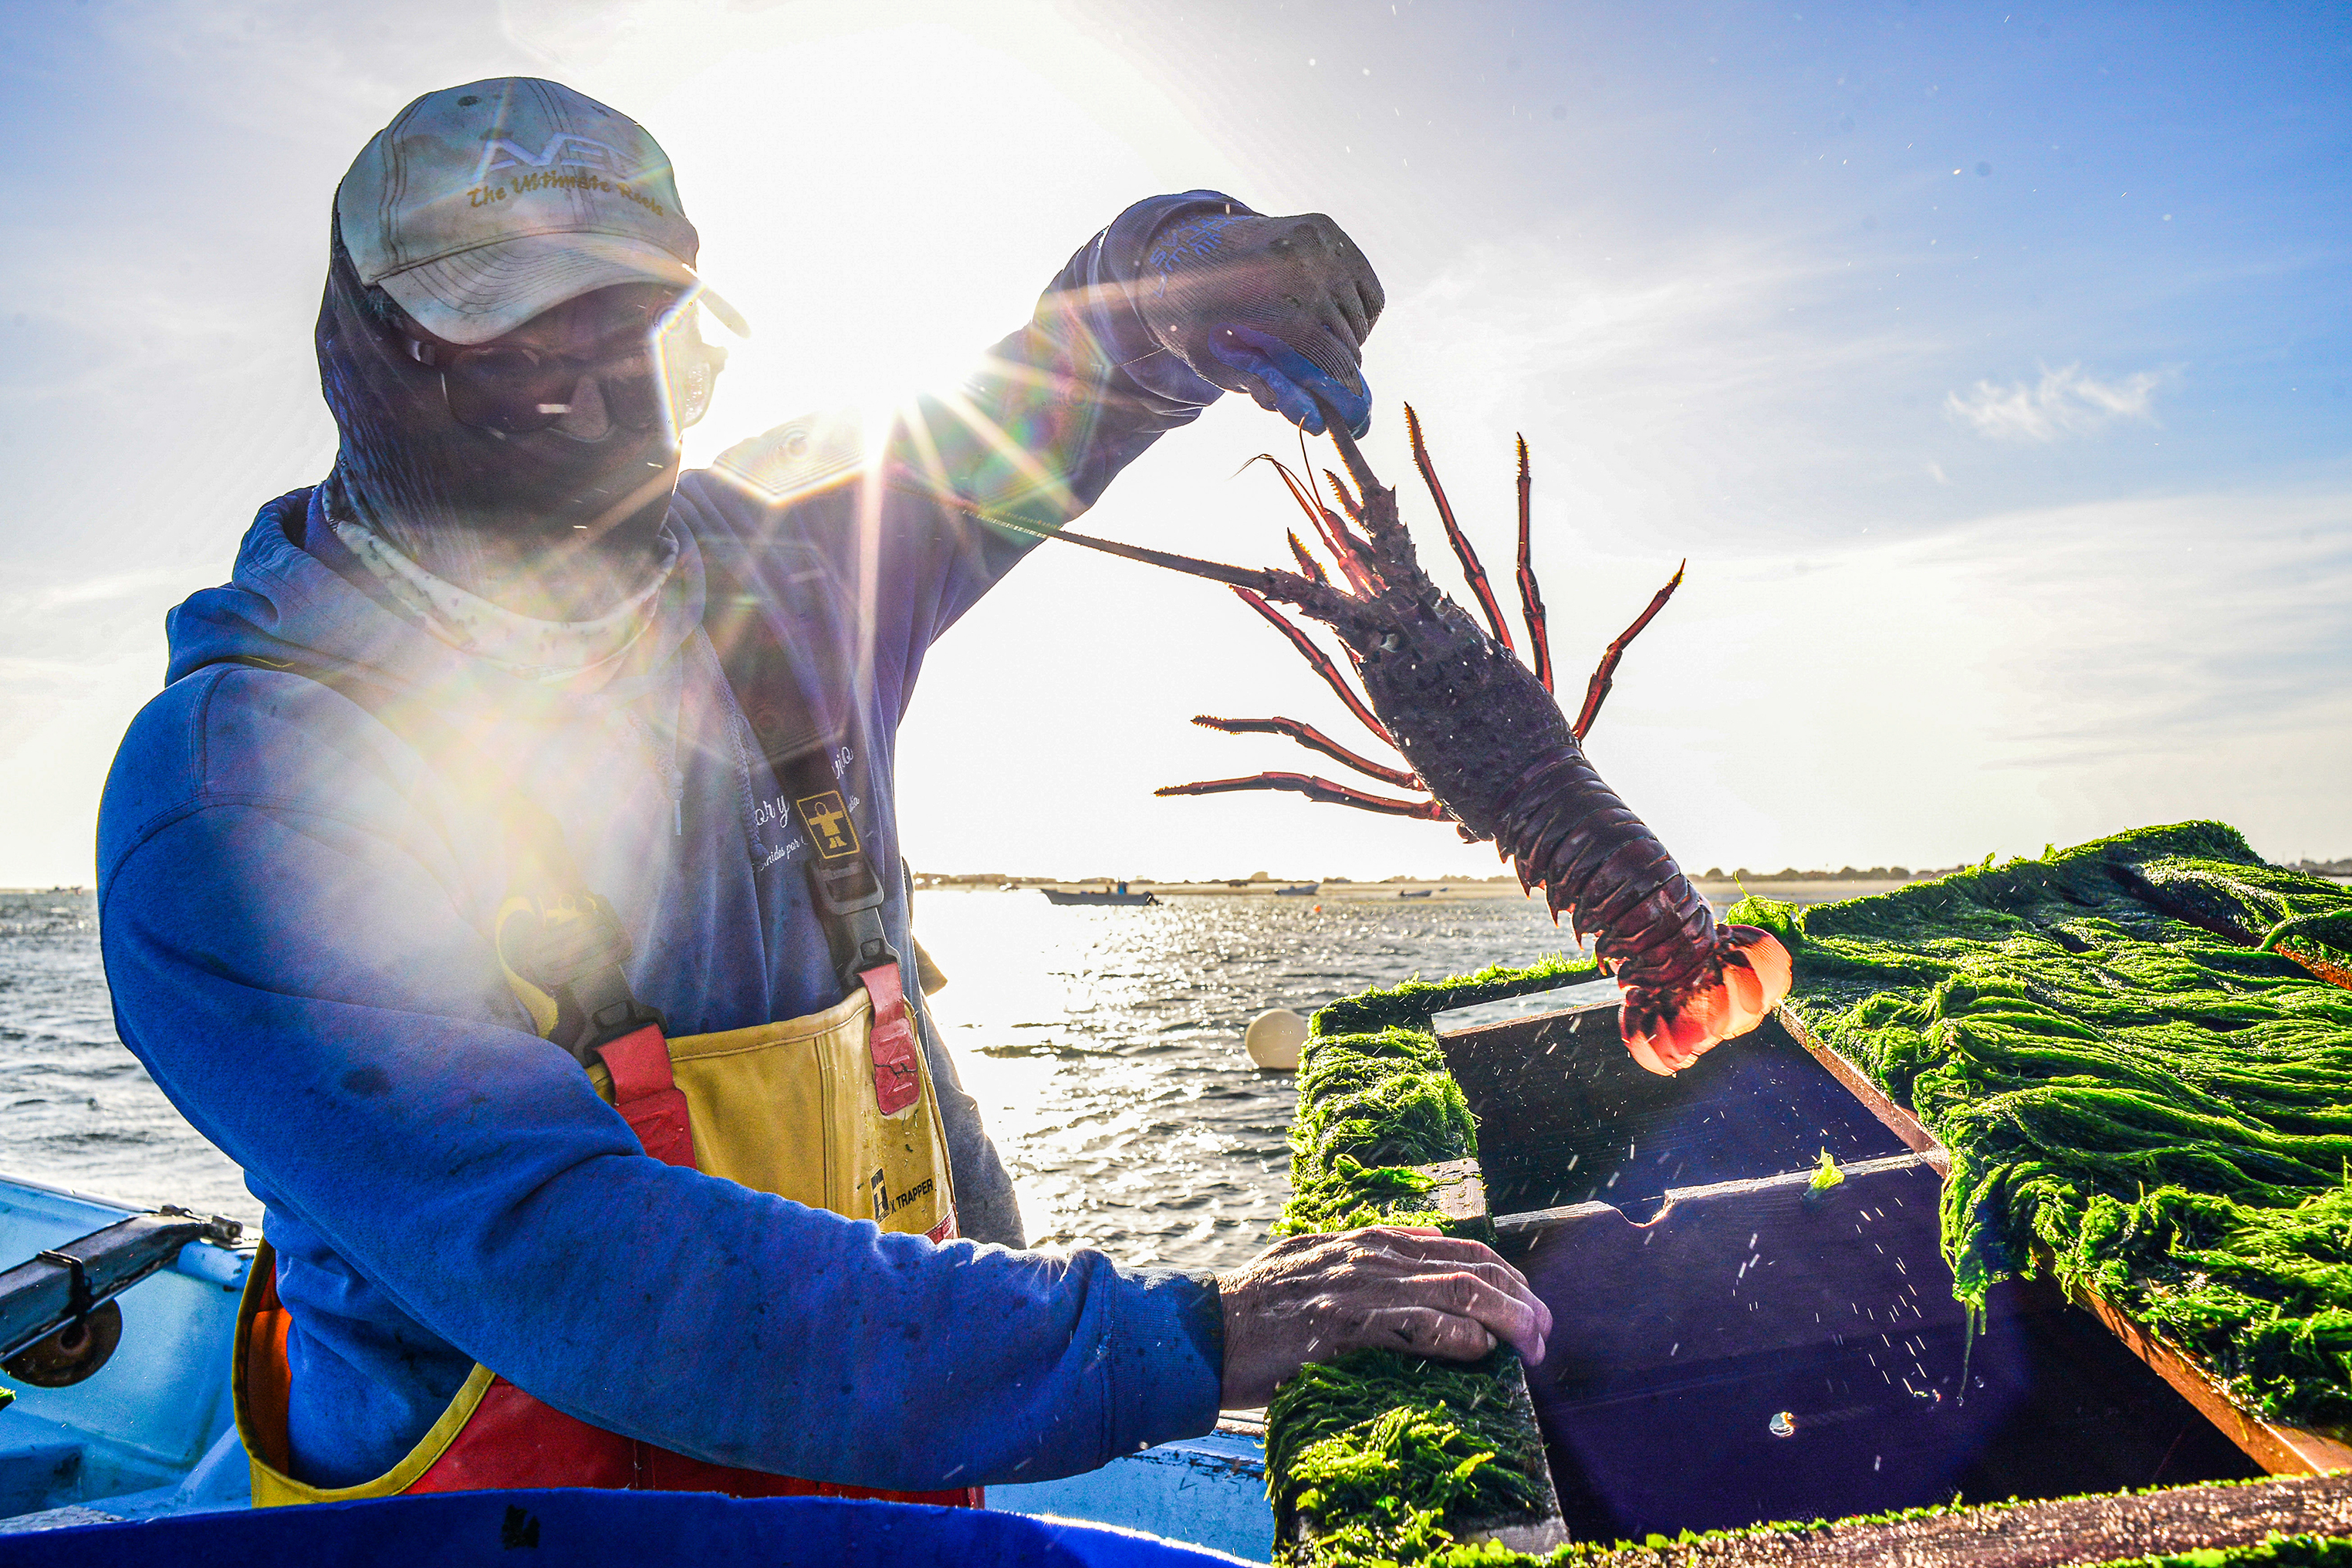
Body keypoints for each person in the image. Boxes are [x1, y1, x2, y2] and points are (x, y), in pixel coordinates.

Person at [96, 77, 1547, 1505]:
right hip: (510, 1533)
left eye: (632, 334)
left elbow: (1029, 416)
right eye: (519, 345)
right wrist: (1192, 1337)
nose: (591, 396)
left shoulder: (784, 595)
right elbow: (574, 1260)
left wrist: (1167, 282)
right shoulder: (236, 794)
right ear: (368, 355)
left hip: (891, 1485)